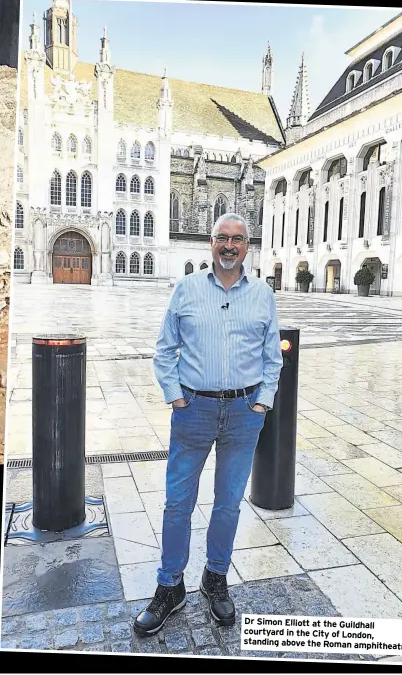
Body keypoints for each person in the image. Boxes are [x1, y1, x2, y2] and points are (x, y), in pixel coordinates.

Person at [133, 212, 283, 636]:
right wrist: (176, 395)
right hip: (193, 411)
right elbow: (164, 350)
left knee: (228, 504)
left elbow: (273, 357)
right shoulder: (186, 289)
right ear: (211, 244)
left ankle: (215, 577)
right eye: (222, 238)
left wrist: (263, 403)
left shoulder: (263, 296)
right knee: (177, 503)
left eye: (237, 239)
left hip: (244, 413)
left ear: (247, 246)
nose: (229, 246)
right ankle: (170, 586)